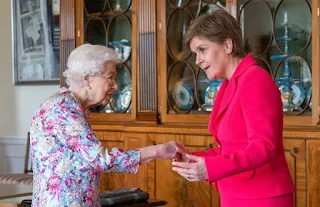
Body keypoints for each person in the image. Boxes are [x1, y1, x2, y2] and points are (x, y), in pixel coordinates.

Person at [171, 8, 295, 207]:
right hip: (236, 194)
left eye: (202, 50)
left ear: (227, 45)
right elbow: (230, 148)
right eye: (195, 53)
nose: (197, 60)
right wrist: (194, 159)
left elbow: (264, 146)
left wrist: (210, 169)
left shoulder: (255, 79)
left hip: (261, 197)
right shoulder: (230, 83)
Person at [30, 44, 180, 207]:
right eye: (110, 77)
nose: (115, 85)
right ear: (87, 79)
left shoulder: (73, 106)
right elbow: (103, 160)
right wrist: (158, 150)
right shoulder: (63, 109)